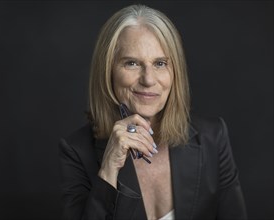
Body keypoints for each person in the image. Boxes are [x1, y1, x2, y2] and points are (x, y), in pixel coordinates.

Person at [58, 4, 247, 220]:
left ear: (174, 72)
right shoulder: (77, 151)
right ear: (108, 71)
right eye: (131, 63)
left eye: (160, 63)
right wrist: (109, 170)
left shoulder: (213, 138)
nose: (148, 79)